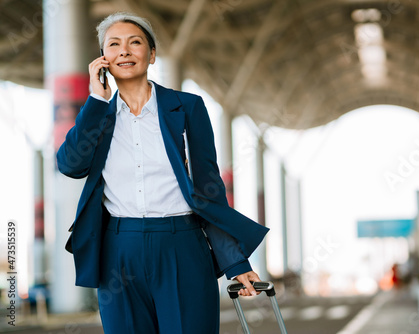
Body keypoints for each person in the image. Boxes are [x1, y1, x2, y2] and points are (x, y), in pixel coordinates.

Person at [56, 12, 269, 334]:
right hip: (117, 251)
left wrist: (235, 262)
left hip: (182, 248)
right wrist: (96, 102)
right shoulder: (97, 115)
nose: (124, 51)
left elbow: (209, 188)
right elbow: (71, 165)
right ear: (103, 59)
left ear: (152, 54)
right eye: (113, 44)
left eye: (135, 42)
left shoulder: (188, 107)